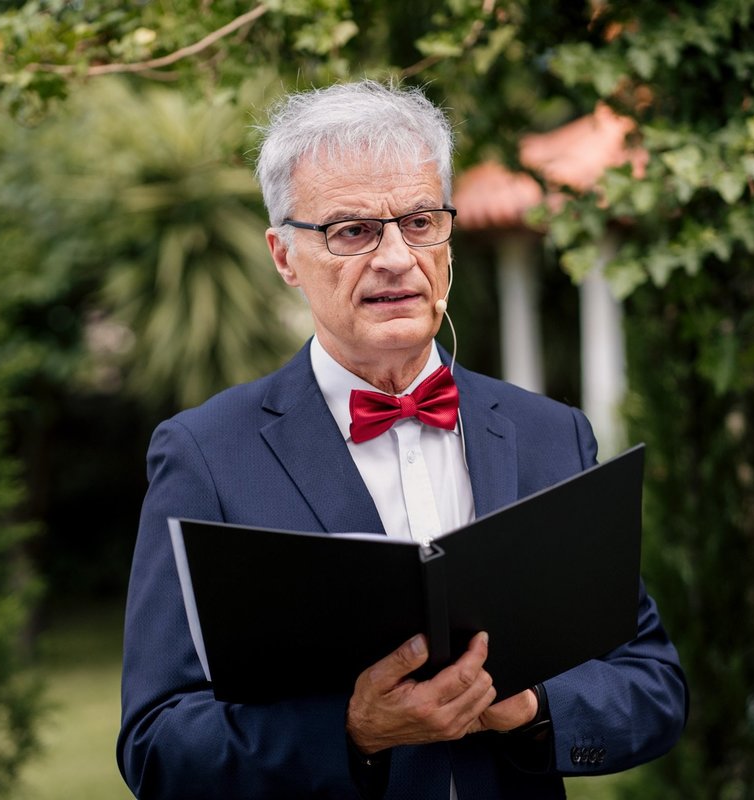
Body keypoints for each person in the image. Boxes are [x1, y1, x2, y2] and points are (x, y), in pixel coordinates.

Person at [117, 79, 687, 800]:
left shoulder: (551, 434)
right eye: (351, 230)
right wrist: (353, 731)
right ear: (284, 256)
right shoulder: (205, 454)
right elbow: (156, 745)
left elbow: (654, 688)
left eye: (419, 222)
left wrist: (533, 708)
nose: (395, 257)